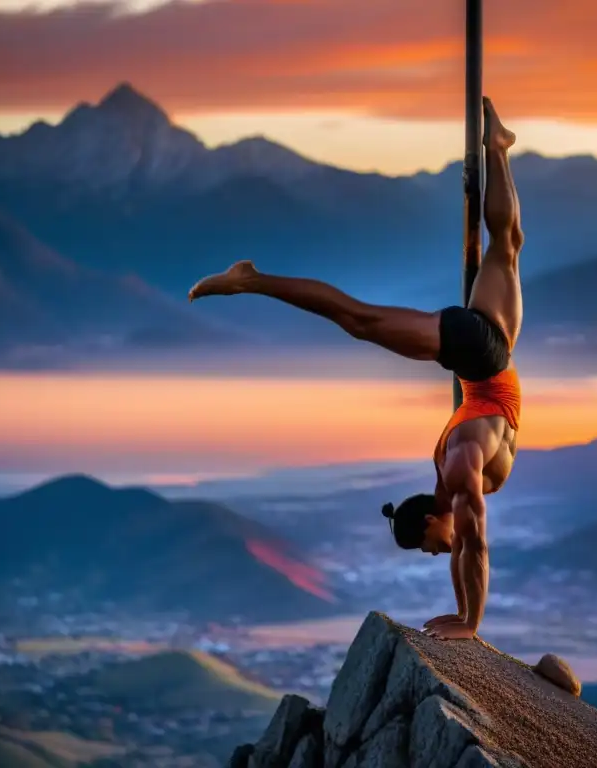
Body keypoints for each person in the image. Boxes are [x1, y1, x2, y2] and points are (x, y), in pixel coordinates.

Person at [188, 97, 524, 641]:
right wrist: (464, 616)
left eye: (428, 545)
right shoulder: (454, 474)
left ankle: (250, 279)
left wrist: (470, 621)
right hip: (491, 357)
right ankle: (498, 150)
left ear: (430, 519)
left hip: (480, 355)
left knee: (360, 319)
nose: (437, 550)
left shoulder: (460, 470)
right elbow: (466, 543)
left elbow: (473, 543)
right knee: (506, 247)